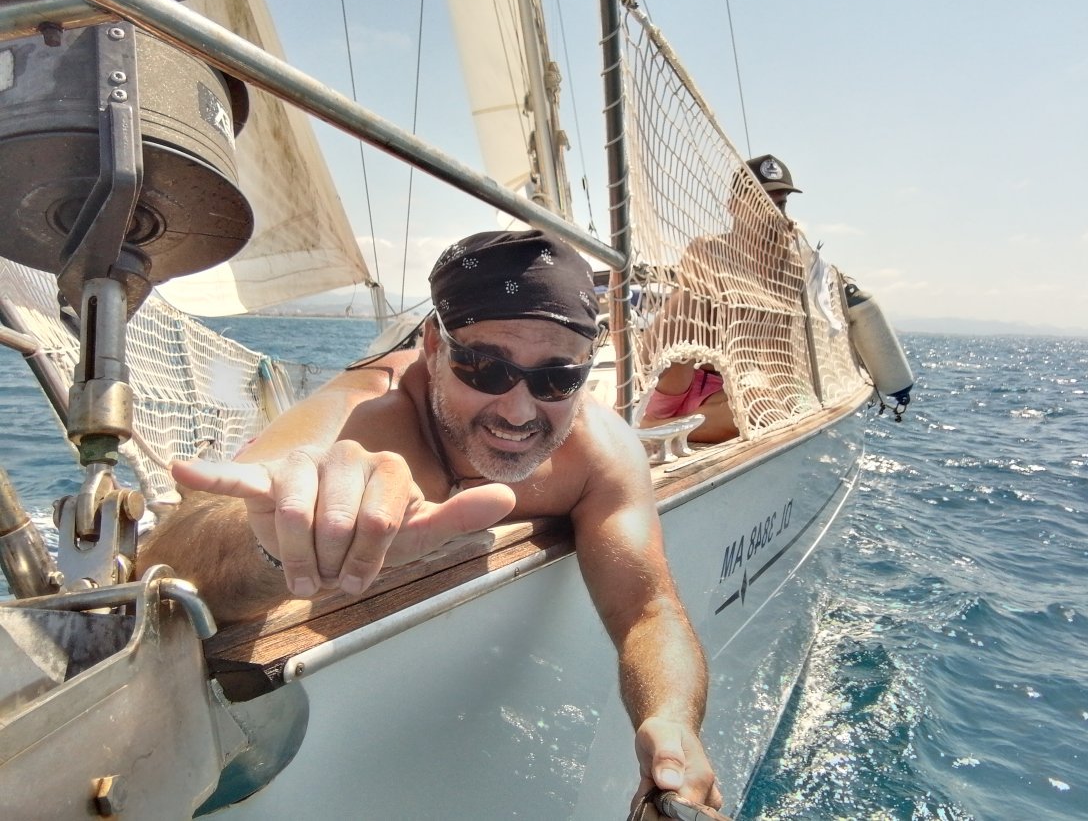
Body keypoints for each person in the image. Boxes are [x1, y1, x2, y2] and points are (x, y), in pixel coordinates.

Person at [138, 229, 722, 816]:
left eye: (555, 379)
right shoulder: (363, 419)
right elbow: (173, 556)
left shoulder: (596, 453)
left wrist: (671, 723)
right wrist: (276, 544)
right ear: (434, 347)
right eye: (484, 368)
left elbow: (648, 609)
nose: (518, 411)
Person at [639, 154, 804, 442]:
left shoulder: (788, 269)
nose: (774, 215)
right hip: (673, 380)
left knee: (762, 409)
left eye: (780, 205)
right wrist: (763, 265)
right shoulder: (707, 251)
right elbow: (687, 327)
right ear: (734, 207)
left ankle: (651, 432)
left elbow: (780, 354)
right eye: (762, 204)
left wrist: (781, 266)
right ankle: (654, 427)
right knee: (691, 301)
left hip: (718, 395)